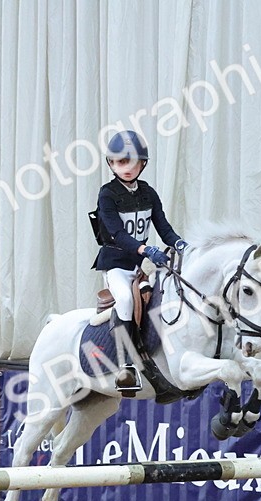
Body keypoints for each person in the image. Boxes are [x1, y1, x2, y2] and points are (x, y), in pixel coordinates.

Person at [93, 131, 187, 392]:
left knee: (170, 292)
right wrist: (146, 249)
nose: (127, 168)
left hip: (145, 264)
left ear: (142, 164)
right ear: (111, 164)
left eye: (133, 162)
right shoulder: (107, 195)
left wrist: (180, 244)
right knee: (124, 299)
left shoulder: (148, 193)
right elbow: (118, 234)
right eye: (121, 163)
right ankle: (127, 367)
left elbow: (163, 226)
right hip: (118, 264)